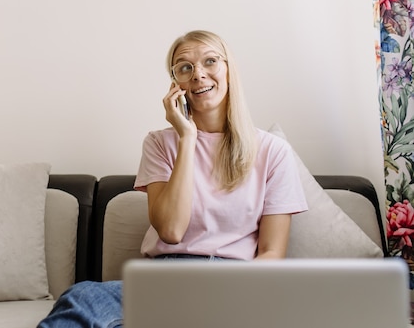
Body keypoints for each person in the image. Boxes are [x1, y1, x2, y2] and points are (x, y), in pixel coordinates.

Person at [37, 30, 308, 328]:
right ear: (175, 83)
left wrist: (233, 292)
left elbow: (272, 252)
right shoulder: (159, 144)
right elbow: (171, 230)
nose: (198, 74)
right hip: (165, 281)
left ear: (229, 70)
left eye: (210, 61)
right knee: (83, 297)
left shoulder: (273, 151)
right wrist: (188, 137)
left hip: (234, 283)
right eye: (185, 67)